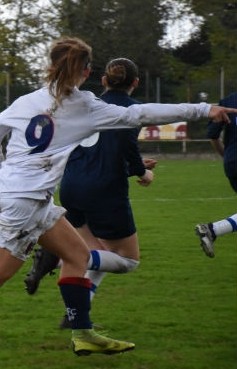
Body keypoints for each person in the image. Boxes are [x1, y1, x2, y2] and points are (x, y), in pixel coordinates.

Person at [0, 37, 236, 356]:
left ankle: (83, 333)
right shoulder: (85, 105)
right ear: (86, 71)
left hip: (18, 194)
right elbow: (138, 113)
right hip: (25, 200)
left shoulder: (27, 100)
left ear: (51, 67)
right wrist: (204, 109)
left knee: (78, 255)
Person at [23, 58, 158, 329]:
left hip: (73, 185)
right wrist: (141, 172)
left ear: (104, 81)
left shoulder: (85, 105)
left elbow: (93, 147)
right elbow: (125, 143)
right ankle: (57, 255)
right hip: (104, 191)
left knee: (95, 252)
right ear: (136, 83)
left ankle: (75, 317)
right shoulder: (132, 109)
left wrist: (134, 165)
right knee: (127, 260)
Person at [195, 91, 237, 257]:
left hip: (232, 162)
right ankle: (212, 230)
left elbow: (213, 134)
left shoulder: (230, 100)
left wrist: (227, 156)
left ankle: (212, 231)